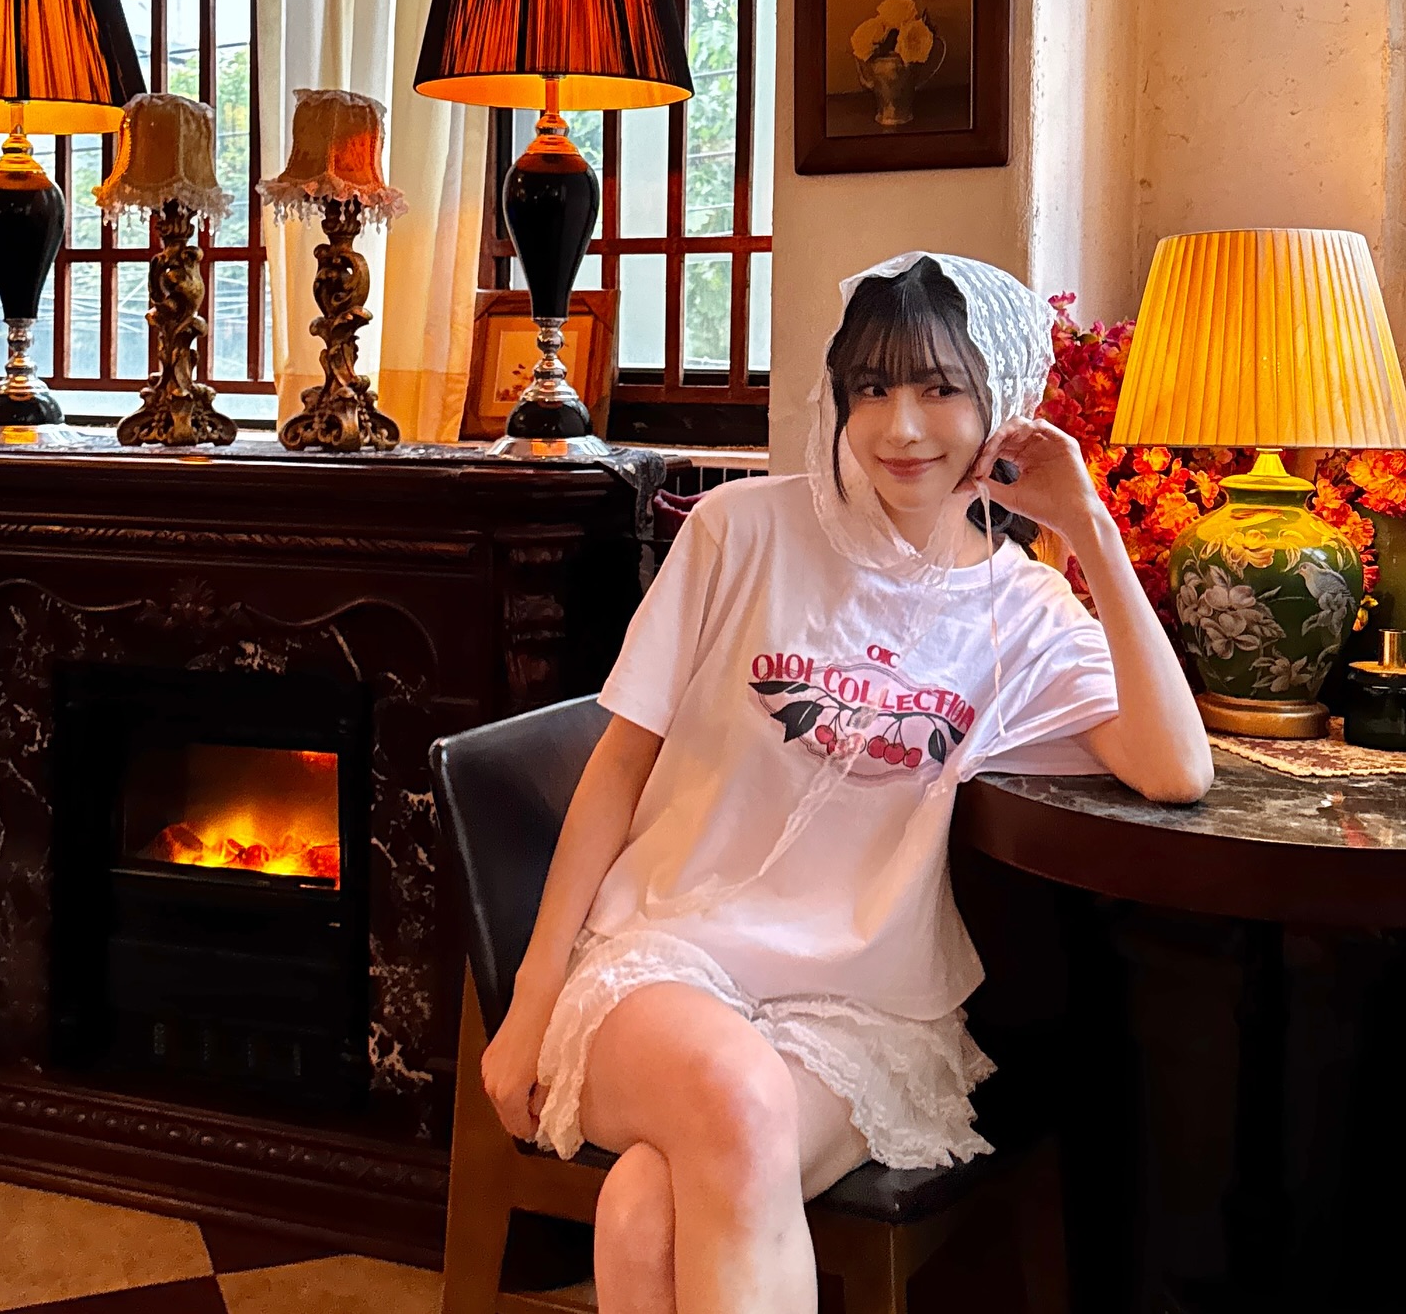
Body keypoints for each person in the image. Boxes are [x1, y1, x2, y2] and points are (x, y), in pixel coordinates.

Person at [481, 252, 1213, 1314]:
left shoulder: (1019, 614)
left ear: (1003, 402)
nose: (900, 427)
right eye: (871, 388)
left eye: (940, 388)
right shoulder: (743, 531)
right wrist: (532, 993)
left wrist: (1086, 525)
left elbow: (1177, 766)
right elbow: (618, 767)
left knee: (646, 1206)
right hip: (667, 961)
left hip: (861, 1008)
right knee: (733, 1101)